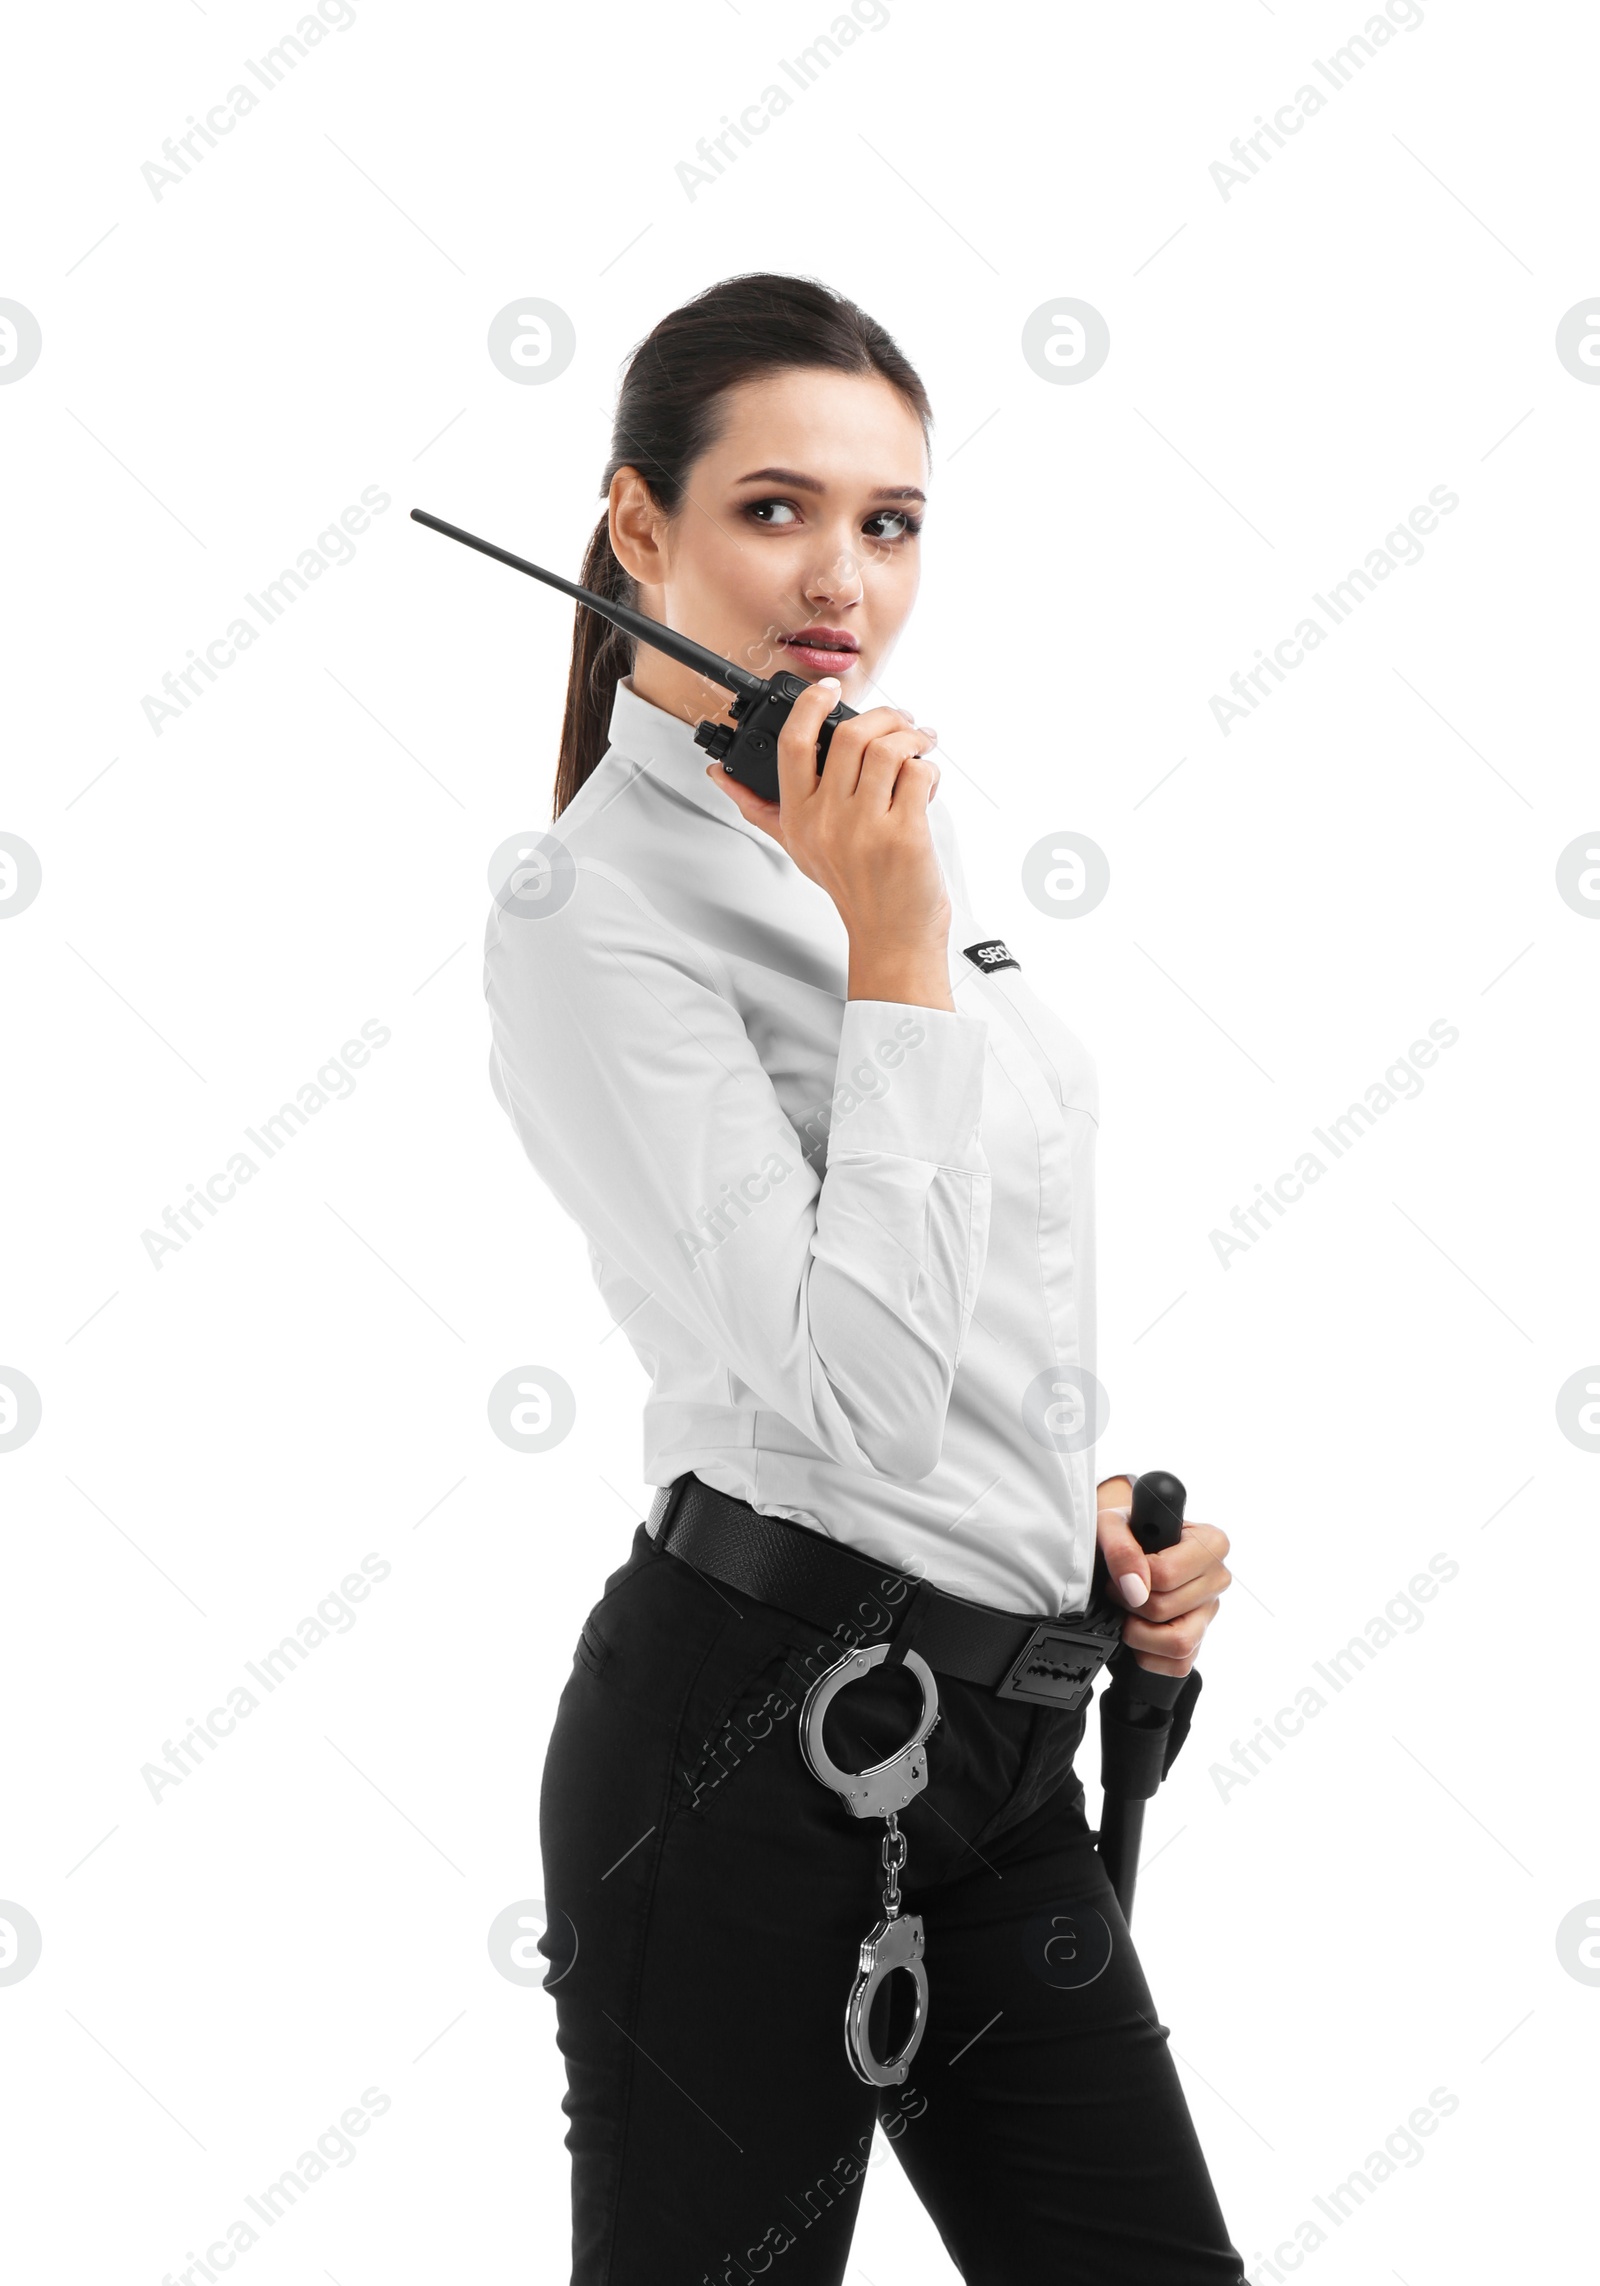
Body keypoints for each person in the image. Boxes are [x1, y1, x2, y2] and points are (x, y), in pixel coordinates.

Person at [483, 272, 1245, 2285]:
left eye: (888, 521)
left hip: (995, 1737)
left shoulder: (869, 824)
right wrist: (891, 941)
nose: (840, 575)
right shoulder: (589, 916)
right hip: (748, 1750)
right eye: (771, 508)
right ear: (638, 524)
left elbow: (949, 1286)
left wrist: (1048, 1527)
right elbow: (848, 1401)